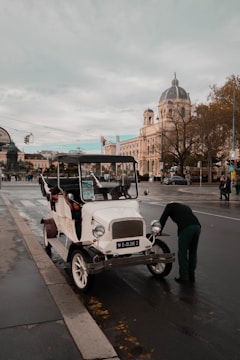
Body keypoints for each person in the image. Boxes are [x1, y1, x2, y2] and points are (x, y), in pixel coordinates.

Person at [159, 202, 201, 284]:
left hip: (186, 228)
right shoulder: (185, 206)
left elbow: (163, 219)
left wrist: (158, 232)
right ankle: (191, 276)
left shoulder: (169, 206)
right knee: (193, 252)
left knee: (182, 253)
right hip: (197, 226)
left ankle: (184, 277)